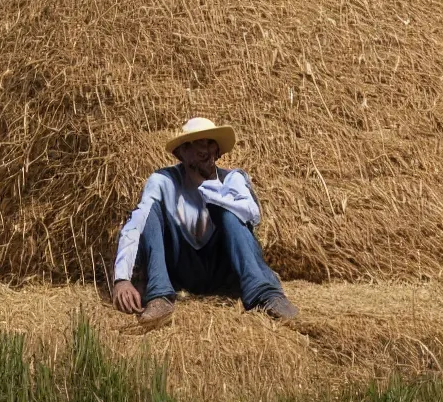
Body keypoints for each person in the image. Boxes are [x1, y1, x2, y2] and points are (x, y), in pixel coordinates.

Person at [110, 117, 300, 330]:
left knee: (231, 213)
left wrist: (210, 188)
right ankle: (159, 296)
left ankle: (266, 294)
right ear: (180, 153)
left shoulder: (232, 179)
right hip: (181, 267)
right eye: (196, 142)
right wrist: (122, 279)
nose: (205, 148)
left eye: (210, 142)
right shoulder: (163, 180)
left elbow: (252, 215)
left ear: (218, 151)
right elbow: (137, 223)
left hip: (223, 269)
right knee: (150, 211)